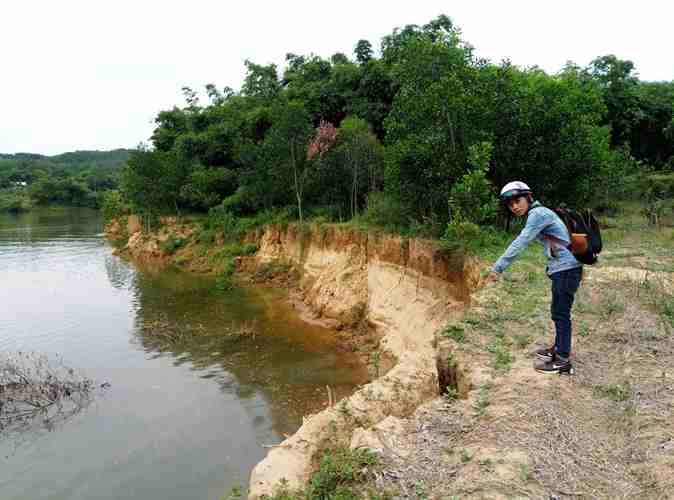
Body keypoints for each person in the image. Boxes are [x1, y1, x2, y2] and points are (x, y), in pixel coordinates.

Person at [486, 181, 582, 374]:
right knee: (558, 311)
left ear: (528, 198)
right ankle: (558, 349)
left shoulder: (537, 214)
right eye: (510, 204)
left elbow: (521, 242)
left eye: (517, 201)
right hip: (563, 268)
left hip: (566, 269)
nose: (514, 206)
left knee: (561, 313)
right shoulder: (540, 213)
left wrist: (498, 268)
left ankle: (563, 360)